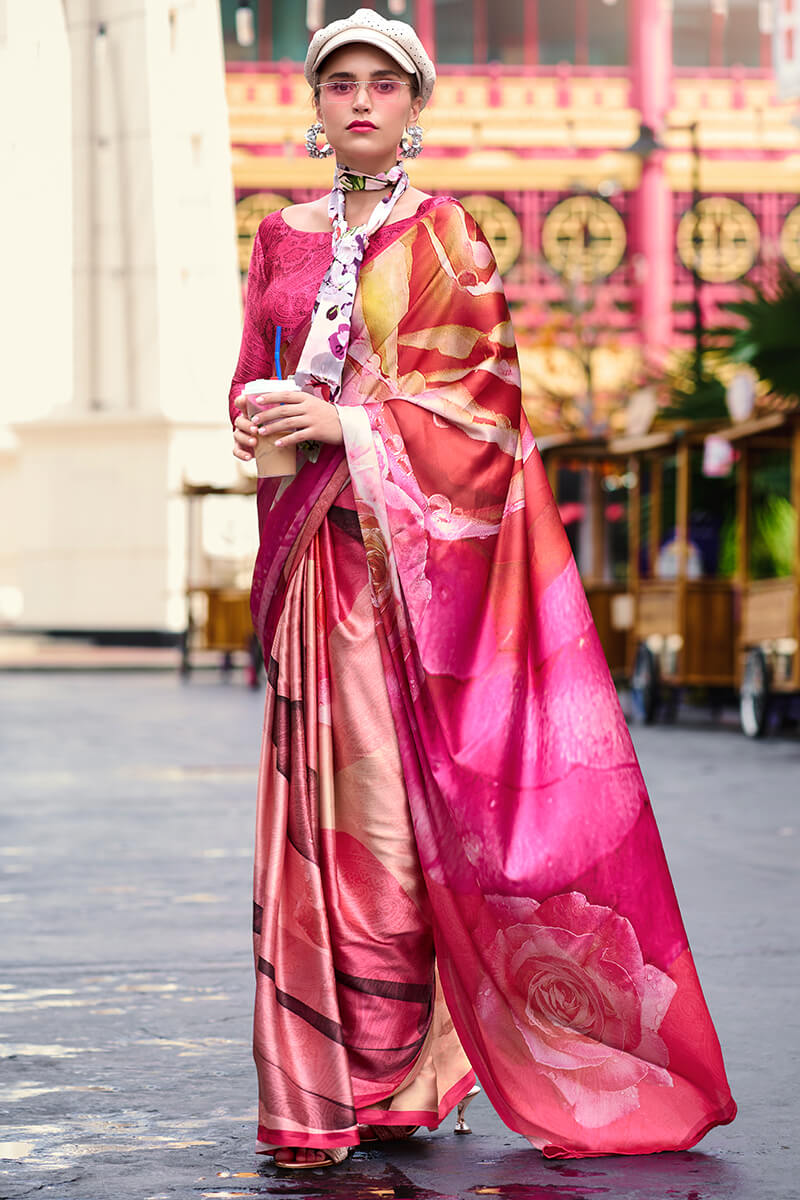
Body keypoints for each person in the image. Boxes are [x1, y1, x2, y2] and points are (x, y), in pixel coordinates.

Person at [228, 7, 736, 1172]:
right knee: (320, 826)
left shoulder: (450, 237)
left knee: (394, 830)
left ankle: (393, 1074)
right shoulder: (278, 237)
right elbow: (248, 377)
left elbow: (489, 417)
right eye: (338, 83)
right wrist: (264, 418)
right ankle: (322, 1087)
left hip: (410, 583)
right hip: (314, 571)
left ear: (415, 104)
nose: (359, 101)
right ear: (313, 105)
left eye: (383, 85)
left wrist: (347, 425)